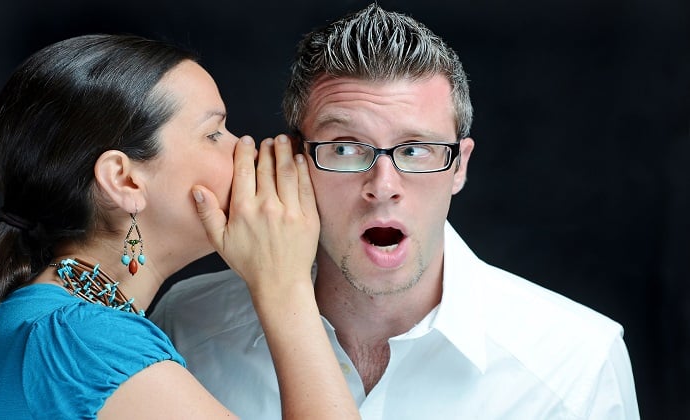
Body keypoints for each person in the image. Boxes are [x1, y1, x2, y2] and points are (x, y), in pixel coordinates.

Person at [151, 4, 640, 419]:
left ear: (458, 167)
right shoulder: (189, 323)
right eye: (345, 149)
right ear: (296, 163)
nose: (382, 187)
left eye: (416, 150)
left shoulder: (578, 361)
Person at [0, 34, 360, 419]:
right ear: (125, 181)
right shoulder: (85, 344)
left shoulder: (43, 321)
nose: (245, 148)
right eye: (214, 133)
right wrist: (285, 286)